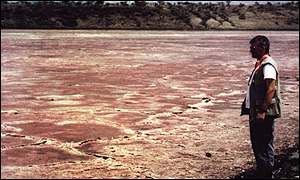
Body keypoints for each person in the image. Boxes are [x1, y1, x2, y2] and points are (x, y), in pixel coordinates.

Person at [241, 35, 281, 179]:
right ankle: (266, 172)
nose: (250, 50)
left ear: (262, 47)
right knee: (263, 143)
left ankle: (265, 173)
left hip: (262, 112)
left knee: (261, 144)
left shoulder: (268, 66)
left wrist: (263, 110)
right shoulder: (261, 64)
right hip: (258, 111)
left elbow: (271, 89)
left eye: (253, 47)